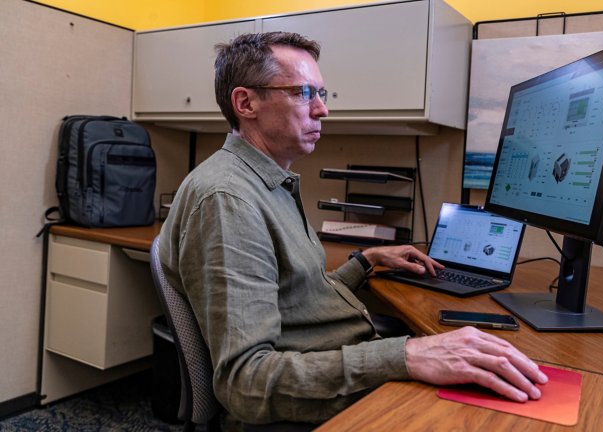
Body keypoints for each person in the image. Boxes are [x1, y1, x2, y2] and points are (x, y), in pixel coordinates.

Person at [157, 31, 547, 428]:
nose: (322, 110)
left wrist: (365, 261)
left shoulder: (267, 182)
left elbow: (295, 295)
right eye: (304, 93)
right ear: (246, 103)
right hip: (303, 403)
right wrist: (408, 356)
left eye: (323, 94)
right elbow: (247, 383)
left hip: (328, 362)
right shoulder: (229, 201)